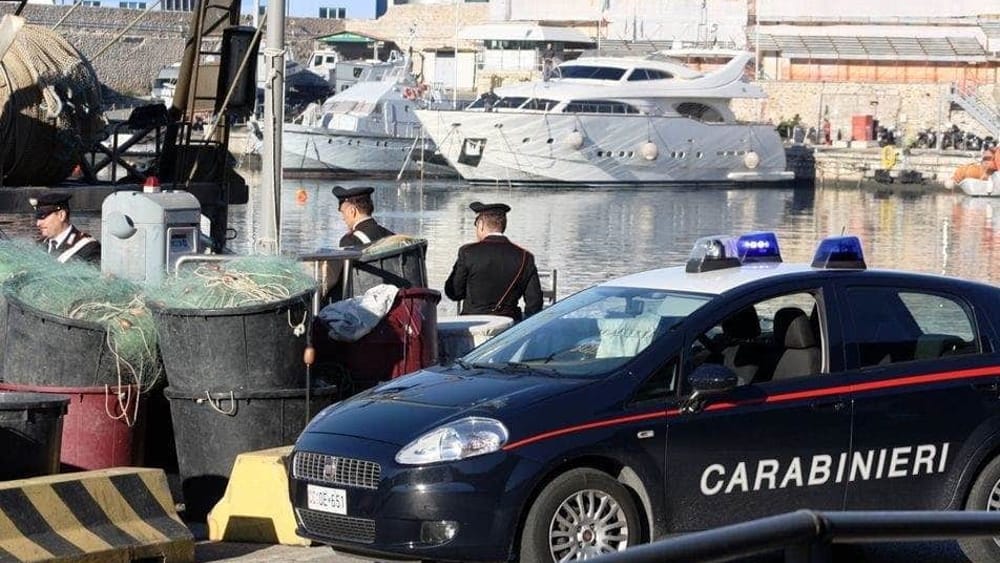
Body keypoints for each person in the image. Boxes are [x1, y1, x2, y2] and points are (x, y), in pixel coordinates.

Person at [444, 201, 542, 322]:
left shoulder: (468, 252)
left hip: (472, 326)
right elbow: (535, 303)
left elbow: (453, 292)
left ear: (481, 224)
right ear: (503, 225)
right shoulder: (525, 257)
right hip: (509, 327)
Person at [30, 192, 100, 264]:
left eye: (43, 216)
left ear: (61, 215)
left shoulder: (88, 247)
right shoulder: (39, 246)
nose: (38, 223)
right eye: (37, 218)